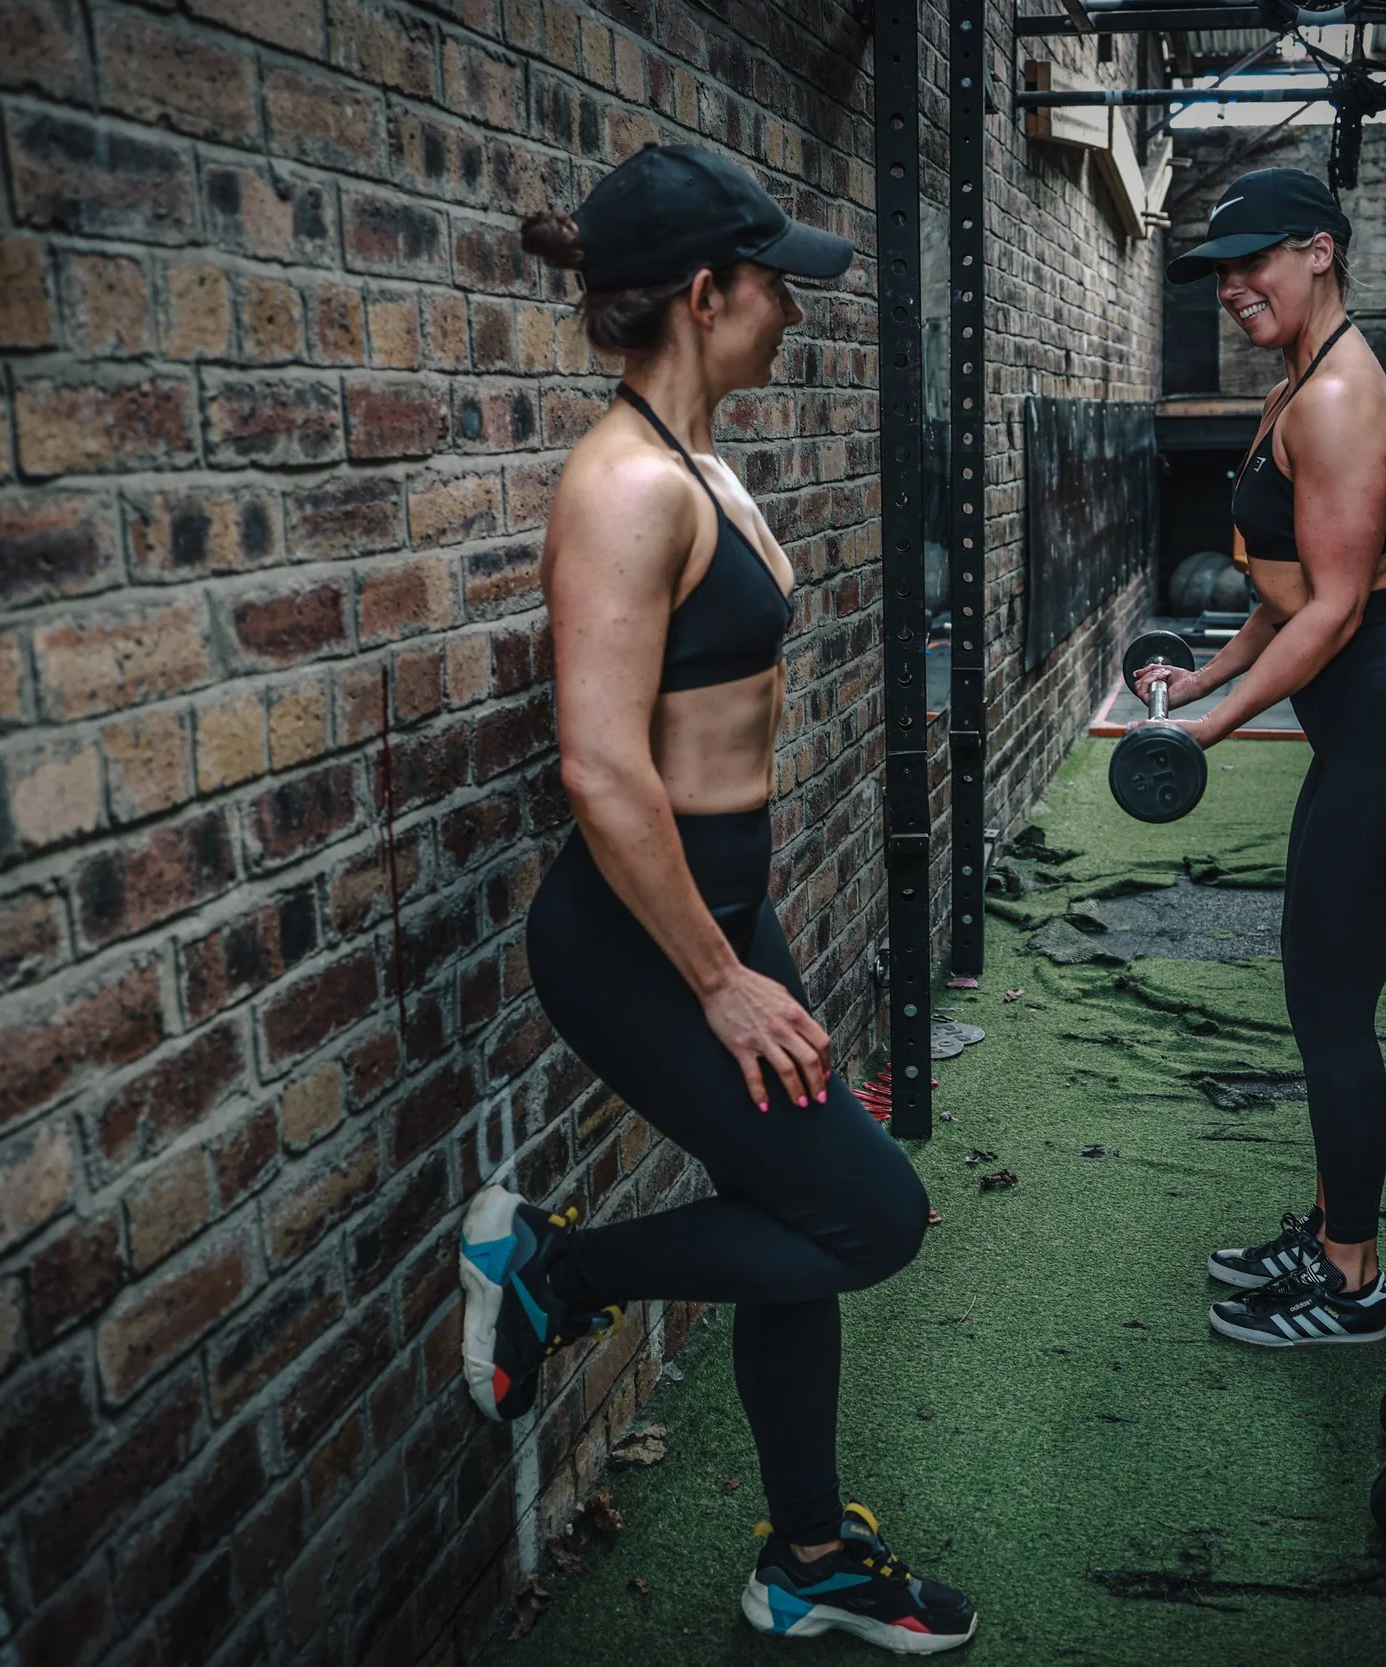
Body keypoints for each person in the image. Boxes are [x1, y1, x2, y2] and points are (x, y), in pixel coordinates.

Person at [455, 145, 976, 1655]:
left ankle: (808, 1553)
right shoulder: (620, 486)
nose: (791, 314)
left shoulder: (697, 462)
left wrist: (745, 953)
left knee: (791, 1206)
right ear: (704, 293)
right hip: (642, 940)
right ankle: (557, 1267)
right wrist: (719, 980)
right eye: (774, 288)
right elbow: (604, 771)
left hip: (726, 920)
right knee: (873, 1215)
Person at [1144, 169, 1386, 1348]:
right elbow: (1276, 591)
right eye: (1219, 270)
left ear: (1322, 252)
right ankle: (1335, 1226)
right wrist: (1194, 677)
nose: (1235, 285)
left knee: (1332, 1009)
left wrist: (1209, 728)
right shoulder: (1298, 384)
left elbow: (1334, 611)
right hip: (1369, 728)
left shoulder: (1336, 397)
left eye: (1256, 261)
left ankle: (1352, 1282)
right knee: (1317, 996)